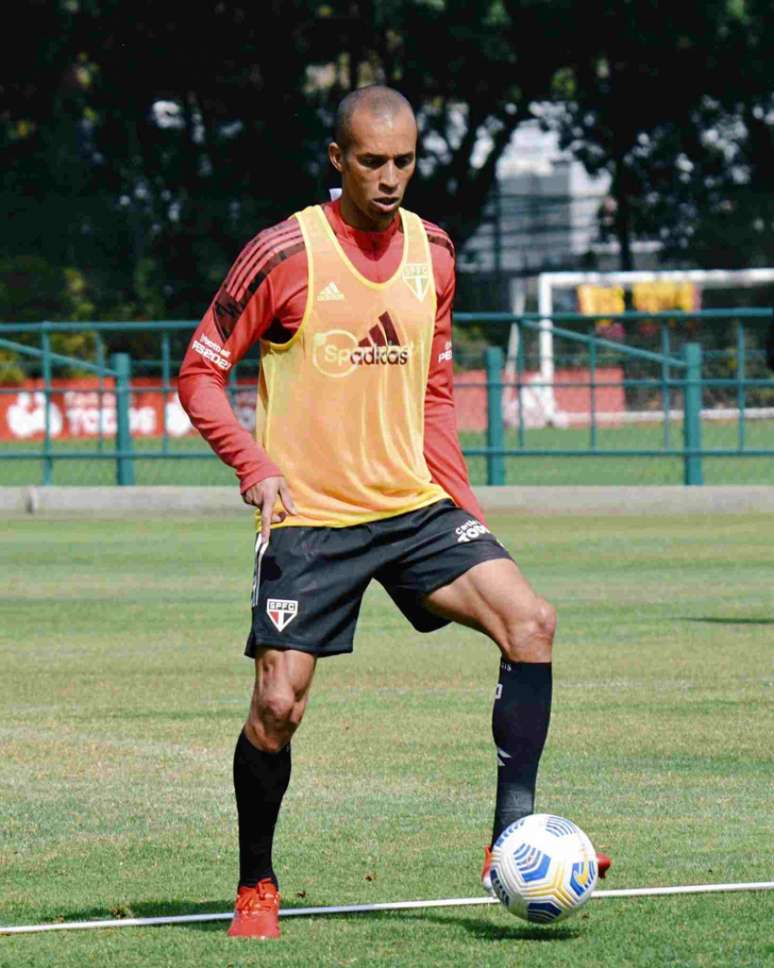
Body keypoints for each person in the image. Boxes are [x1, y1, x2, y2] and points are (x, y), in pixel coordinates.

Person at [178, 85, 608, 941]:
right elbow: (199, 374)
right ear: (337, 160)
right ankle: (256, 883)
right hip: (310, 519)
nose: (389, 178)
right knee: (277, 706)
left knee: (532, 621)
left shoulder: (435, 253)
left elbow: (436, 397)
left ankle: (507, 841)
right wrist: (255, 469)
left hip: (414, 507)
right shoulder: (283, 254)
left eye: (404, 161)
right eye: (371, 161)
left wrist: (468, 511)